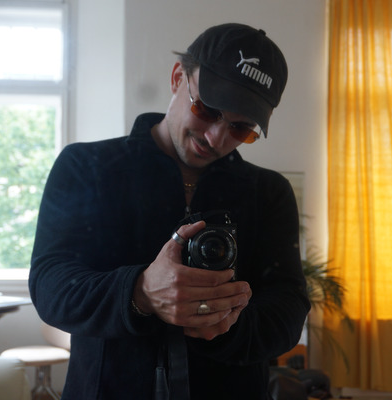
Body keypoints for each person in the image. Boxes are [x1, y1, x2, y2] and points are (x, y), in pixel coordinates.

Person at [29, 23, 310, 400]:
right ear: (178, 77)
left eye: (241, 128)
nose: (215, 138)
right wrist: (140, 292)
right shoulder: (85, 167)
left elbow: (289, 309)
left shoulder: (269, 193)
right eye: (206, 110)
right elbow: (49, 287)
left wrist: (225, 327)